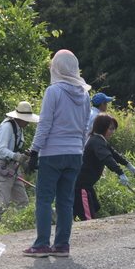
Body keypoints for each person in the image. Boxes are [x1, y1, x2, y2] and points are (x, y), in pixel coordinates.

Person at [23, 49, 91, 257]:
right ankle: (62, 244)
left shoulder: (54, 91)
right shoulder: (85, 93)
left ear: (57, 67)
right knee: (65, 201)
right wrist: (79, 148)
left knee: (44, 199)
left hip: (52, 153)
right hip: (75, 154)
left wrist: (34, 151)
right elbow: (86, 126)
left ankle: (42, 244)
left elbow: (45, 124)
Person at [73, 113, 135, 221]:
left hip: (86, 185)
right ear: (102, 128)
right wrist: (120, 173)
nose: (112, 132)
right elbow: (107, 158)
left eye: (113, 129)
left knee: (95, 206)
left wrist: (128, 164)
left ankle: (63, 212)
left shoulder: (100, 140)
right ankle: (64, 215)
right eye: (110, 129)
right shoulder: (96, 142)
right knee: (89, 220)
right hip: (81, 186)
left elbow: (114, 154)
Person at [0, 101, 39, 219]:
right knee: (2, 203)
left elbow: (15, 148)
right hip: (4, 165)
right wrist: (16, 156)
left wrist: (23, 158)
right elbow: (1, 149)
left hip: (14, 166)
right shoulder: (7, 127)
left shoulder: (19, 128)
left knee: (22, 201)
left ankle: (22, 227)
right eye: (26, 119)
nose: (28, 122)